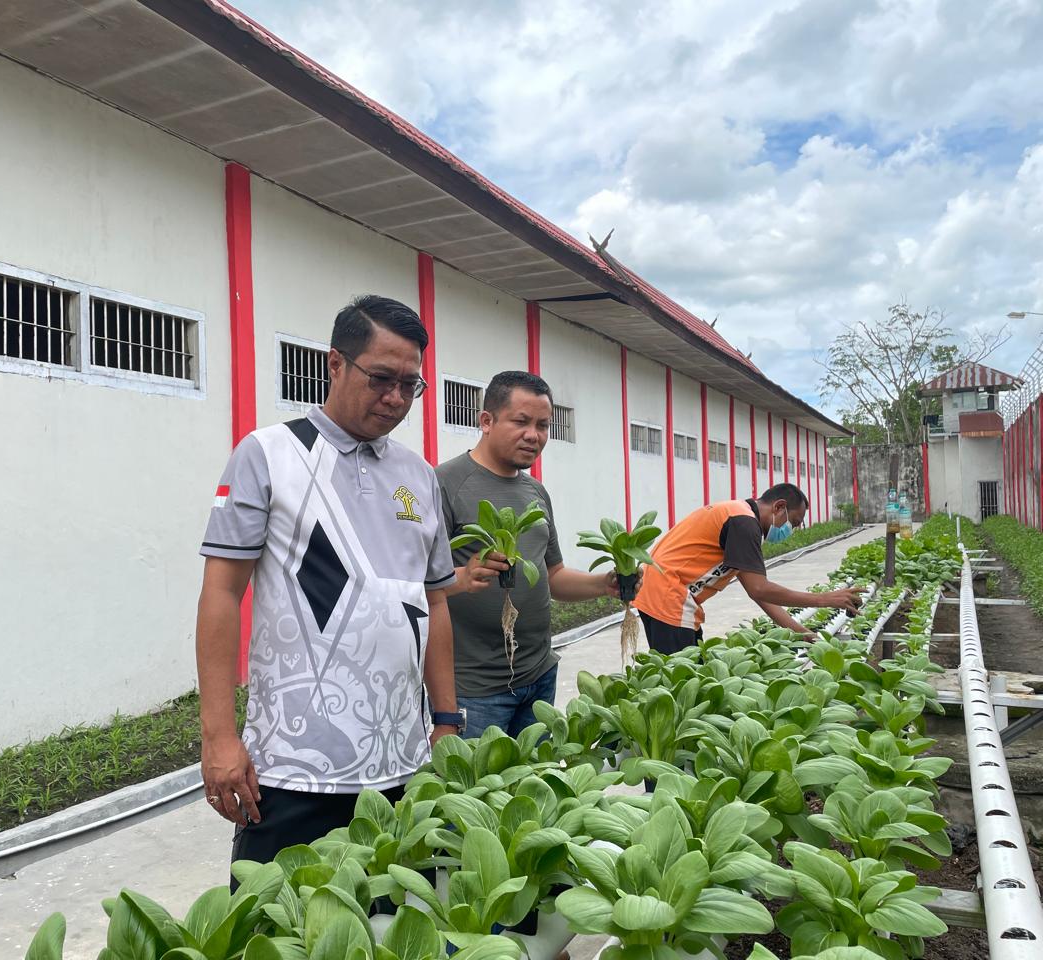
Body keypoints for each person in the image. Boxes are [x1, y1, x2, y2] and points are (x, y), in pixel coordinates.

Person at [195, 295, 463, 873]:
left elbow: (434, 601)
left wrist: (446, 721)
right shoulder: (269, 455)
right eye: (381, 378)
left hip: (403, 762)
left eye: (410, 386)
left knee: (393, 929)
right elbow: (220, 594)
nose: (394, 398)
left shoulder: (419, 475)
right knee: (278, 932)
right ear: (335, 363)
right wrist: (218, 737)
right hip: (295, 769)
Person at [437, 371, 622, 738]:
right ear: (486, 420)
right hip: (475, 689)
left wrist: (605, 584)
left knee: (535, 790)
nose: (533, 435)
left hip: (539, 675)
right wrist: (463, 576)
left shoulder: (536, 491)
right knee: (479, 794)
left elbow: (553, 576)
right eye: (521, 421)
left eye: (543, 425)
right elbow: (420, 589)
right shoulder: (445, 484)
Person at [631, 483, 863, 653]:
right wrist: (825, 599)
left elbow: (760, 595)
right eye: (793, 522)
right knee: (680, 681)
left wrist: (803, 634)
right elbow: (759, 589)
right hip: (669, 597)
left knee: (688, 672)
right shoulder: (744, 523)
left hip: (662, 593)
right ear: (779, 507)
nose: (791, 529)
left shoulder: (739, 516)